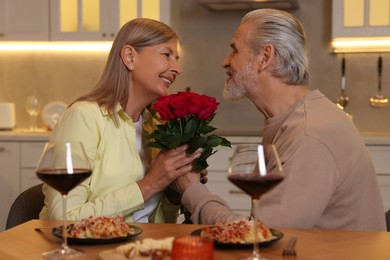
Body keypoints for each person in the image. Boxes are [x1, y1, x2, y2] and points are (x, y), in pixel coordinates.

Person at [175, 9, 386, 231]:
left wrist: (192, 190)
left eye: (235, 50)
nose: (225, 62)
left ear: (265, 58)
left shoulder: (310, 134)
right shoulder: (290, 119)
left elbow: (261, 237)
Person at [39, 18, 202, 223]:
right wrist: (150, 183)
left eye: (177, 58)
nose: (177, 68)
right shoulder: (84, 117)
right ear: (129, 57)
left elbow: (160, 220)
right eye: (167, 54)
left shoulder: (156, 126)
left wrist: (176, 184)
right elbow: (64, 217)